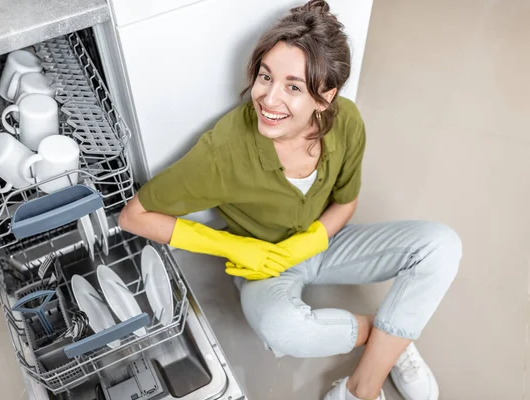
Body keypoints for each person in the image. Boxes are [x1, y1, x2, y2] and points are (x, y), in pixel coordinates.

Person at [119, 1, 462, 399]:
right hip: (263, 262)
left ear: (325, 97)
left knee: (442, 246)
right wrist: (234, 246)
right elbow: (134, 216)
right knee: (284, 330)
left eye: (293, 87)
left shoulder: (347, 121)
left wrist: (311, 240)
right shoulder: (224, 152)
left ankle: (360, 388)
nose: (268, 98)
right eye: (265, 77)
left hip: (326, 241)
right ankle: (390, 339)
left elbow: (346, 203)